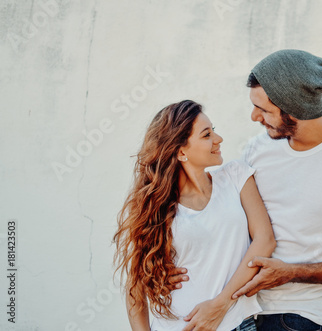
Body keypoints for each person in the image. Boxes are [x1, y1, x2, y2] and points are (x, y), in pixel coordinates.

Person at [170, 49, 322, 330]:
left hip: (294, 316)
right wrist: (171, 265)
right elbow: (220, 214)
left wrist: (292, 273)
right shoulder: (257, 149)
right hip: (233, 311)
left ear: (293, 107)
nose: (253, 117)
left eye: (262, 109)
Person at [112, 100, 276, 331]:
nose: (218, 139)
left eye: (214, 130)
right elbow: (135, 288)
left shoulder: (236, 176)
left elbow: (265, 240)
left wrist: (220, 304)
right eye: (207, 135)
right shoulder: (156, 208)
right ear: (181, 151)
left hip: (238, 322)